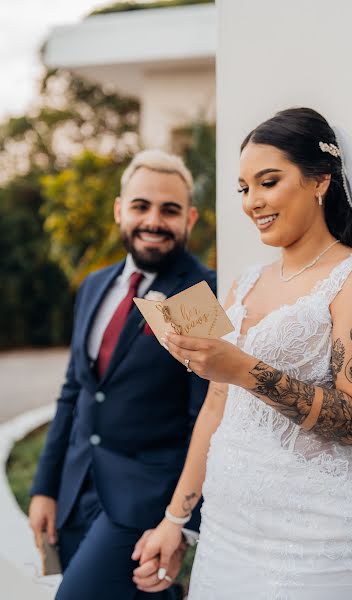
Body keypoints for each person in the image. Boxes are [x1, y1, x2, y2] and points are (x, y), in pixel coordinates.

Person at [132, 108, 352, 599]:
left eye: (268, 182)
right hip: (226, 532)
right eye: (243, 188)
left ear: (320, 181)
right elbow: (216, 408)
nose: (252, 201)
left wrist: (243, 369)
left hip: (316, 540)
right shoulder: (244, 284)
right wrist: (176, 520)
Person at [28, 149, 216, 600]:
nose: (154, 220)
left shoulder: (196, 295)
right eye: (141, 206)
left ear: (189, 218)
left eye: (169, 210)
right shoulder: (94, 285)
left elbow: (207, 415)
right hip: (76, 492)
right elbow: (74, 392)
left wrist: (181, 524)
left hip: (141, 504)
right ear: (120, 211)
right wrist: (45, 487)